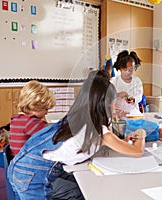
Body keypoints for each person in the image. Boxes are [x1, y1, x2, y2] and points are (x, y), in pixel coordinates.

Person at [8, 70, 146, 199]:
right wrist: (141, 134)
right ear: (104, 104)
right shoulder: (100, 132)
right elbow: (137, 151)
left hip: (24, 168)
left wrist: (122, 140)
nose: (115, 107)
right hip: (32, 175)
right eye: (114, 103)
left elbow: (106, 141)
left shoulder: (76, 119)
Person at [9, 80, 56, 156]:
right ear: (35, 106)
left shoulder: (16, 119)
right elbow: (52, 135)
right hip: (27, 163)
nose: (47, 113)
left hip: (16, 161)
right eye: (46, 109)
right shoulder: (30, 122)